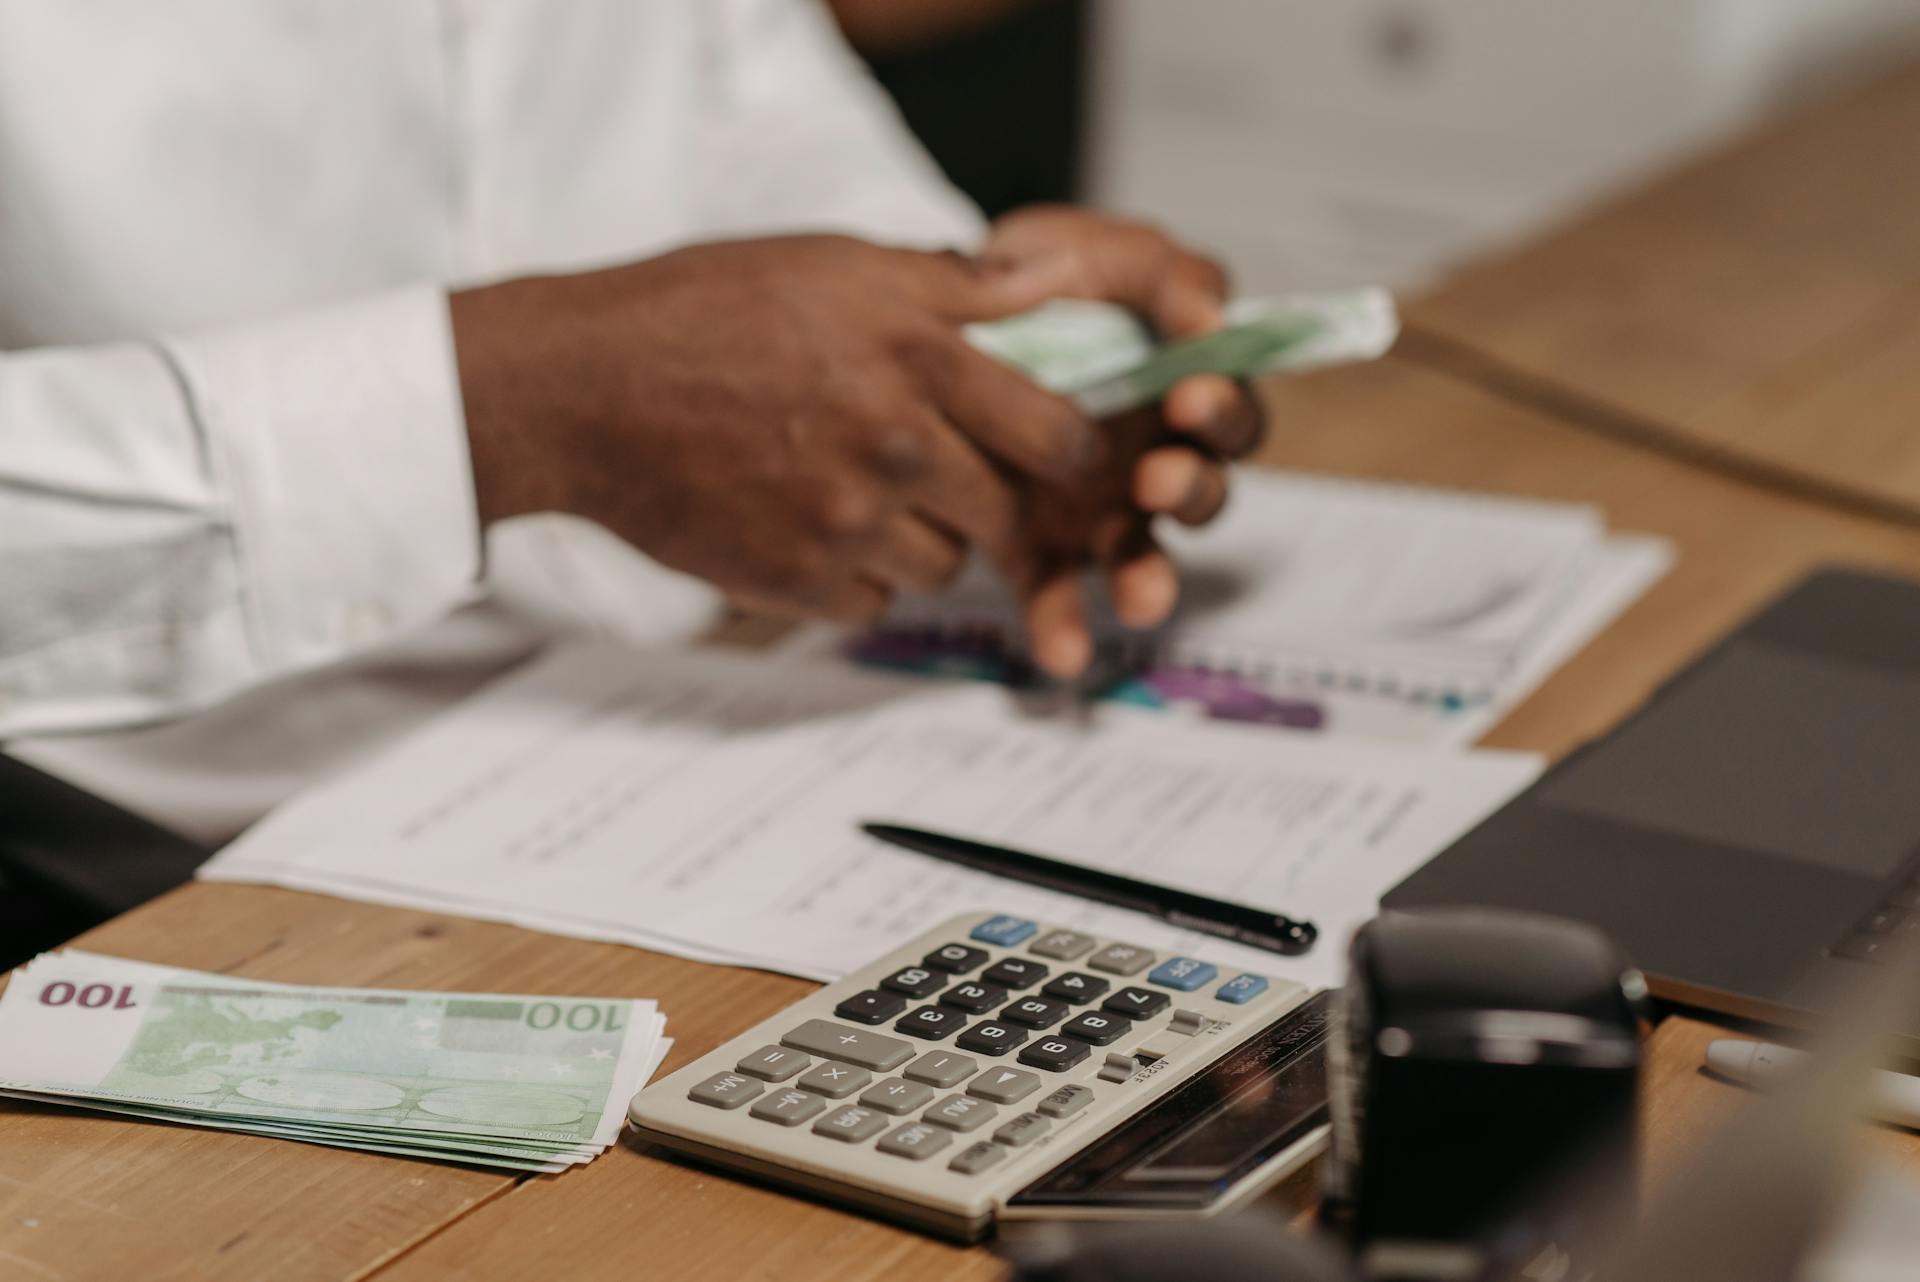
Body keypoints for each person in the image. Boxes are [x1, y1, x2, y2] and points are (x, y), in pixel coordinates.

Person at [0, 0, 1262, 848]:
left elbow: (743, 94)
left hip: (689, 729)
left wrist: (995, 350)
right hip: (160, 839)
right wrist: (502, 407)